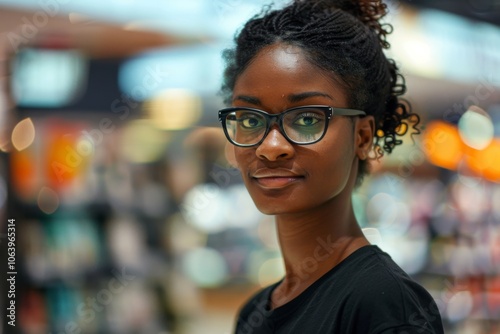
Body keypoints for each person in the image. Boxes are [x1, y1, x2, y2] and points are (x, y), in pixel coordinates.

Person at [217, 0, 444, 333]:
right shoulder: (254, 313)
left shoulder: (384, 305)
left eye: (307, 119)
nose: (271, 147)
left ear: (362, 136)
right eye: (251, 119)